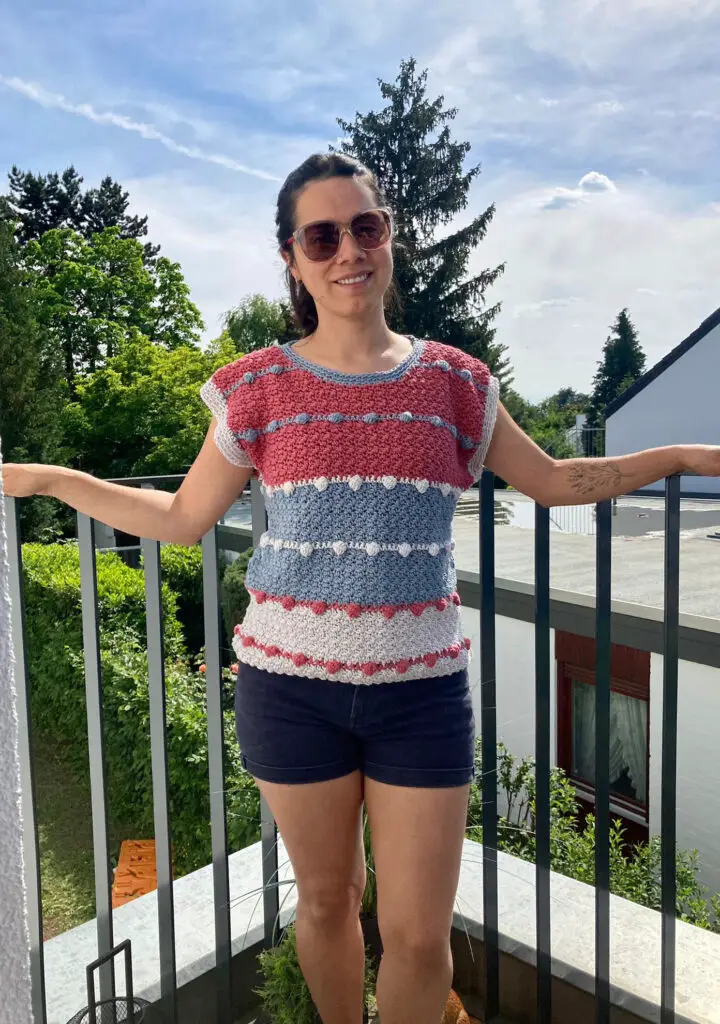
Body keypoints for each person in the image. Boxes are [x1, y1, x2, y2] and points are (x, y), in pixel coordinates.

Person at [3, 152, 719, 1024]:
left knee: (418, 935)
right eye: (323, 234)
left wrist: (681, 456)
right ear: (294, 258)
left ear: (390, 238)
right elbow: (183, 517)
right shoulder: (257, 388)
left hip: (421, 698)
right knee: (329, 902)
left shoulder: (457, 384)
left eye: (365, 226)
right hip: (289, 693)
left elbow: (559, 481)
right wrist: (51, 478)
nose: (348, 249)